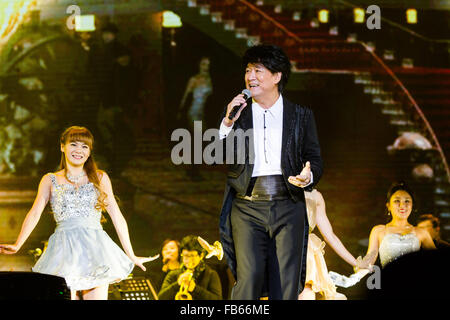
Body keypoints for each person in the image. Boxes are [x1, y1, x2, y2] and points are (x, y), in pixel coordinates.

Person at [0, 126, 156, 300]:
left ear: (89, 152)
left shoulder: (100, 178)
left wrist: (131, 254)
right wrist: (18, 244)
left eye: (85, 146)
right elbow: (35, 213)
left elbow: (117, 217)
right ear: (62, 146)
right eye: (73, 144)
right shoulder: (49, 179)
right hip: (63, 251)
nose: (79, 150)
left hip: (96, 250)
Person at [218, 44, 323, 300]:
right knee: (249, 278)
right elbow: (220, 155)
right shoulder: (237, 114)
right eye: (247, 70)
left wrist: (308, 176)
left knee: (286, 282)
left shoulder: (301, 115)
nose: (250, 76)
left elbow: (315, 159)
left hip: (288, 203)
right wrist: (227, 122)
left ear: (277, 76)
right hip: (246, 206)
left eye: (258, 70)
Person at [298, 189, 369, 300]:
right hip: (280, 245)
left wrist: (356, 263)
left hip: (306, 251)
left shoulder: (315, 196)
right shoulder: (277, 186)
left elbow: (330, 236)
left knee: (306, 290)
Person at [363, 181, 436, 269]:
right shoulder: (378, 231)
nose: (402, 205)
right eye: (397, 201)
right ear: (388, 206)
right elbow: (369, 261)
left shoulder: (421, 232)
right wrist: (355, 276)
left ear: (412, 205)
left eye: (407, 201)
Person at [158, 235, 222, 300]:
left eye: (192, 256)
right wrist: (177, 284)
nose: (188, 260)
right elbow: (160, 298)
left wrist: (195, 289)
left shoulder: (211, 274)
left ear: (201, 256)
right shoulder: (173, 274)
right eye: (185, 255)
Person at [178, 57, 213, 126]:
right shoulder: (194, 79)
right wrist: (180, 111)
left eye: (208, 65)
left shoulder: (209, 79)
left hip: (205, 113)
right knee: (198, 134)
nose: (206, 67)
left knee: (203, 134)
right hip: (195, 112)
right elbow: (185, 96)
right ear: (199, 65)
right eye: (203, 64)